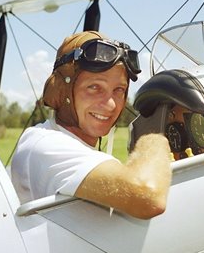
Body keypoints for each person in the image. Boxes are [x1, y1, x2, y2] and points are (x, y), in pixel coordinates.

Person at [11, 31, 172, 219]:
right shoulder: (45, 145)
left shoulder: (53, 139)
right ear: (62, 90)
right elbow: (148, 196)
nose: (111, 104)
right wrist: (154, 140)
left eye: (119, 90)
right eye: (94, 87)